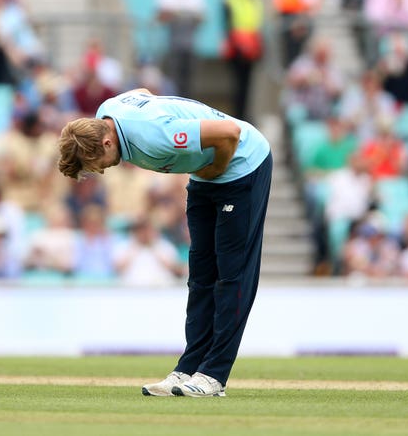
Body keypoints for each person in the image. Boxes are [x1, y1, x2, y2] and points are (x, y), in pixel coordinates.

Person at [57, 88, 272, 397]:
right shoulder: (107, 112)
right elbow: (143, 94)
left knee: (231, 275)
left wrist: (215, 169)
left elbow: (229, 131)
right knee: (200, 276)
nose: (101, 169)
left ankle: (214, 376)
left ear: (106, 141)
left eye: (96, 162)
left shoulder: (156, 134)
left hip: (241, 167)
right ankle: (189, 368)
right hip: (204, 176)